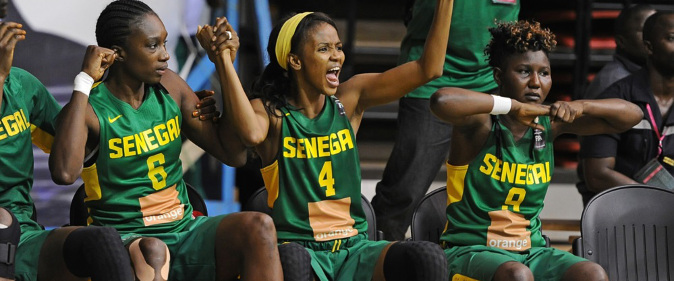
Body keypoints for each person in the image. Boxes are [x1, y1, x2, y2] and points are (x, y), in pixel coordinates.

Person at [195, 0, 454, 280]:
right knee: (293, 260)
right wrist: (223, 60)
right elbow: (252, 134)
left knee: (427, 256)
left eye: (338, 47)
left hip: (355, 249)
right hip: (298, 249)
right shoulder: (271, 112)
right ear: (295, 61)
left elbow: (429, 69)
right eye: (323, 49)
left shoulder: (350, 98)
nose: (336, 57)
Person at [48, 1, 284, 280]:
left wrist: (222, 62)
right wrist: (84, 82)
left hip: (184, 229)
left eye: (164, 44)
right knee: (152, 250)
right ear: (118, 53)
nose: (165, 56)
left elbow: (234, 155)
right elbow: (64, 173)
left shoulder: (171, 87)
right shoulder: (90, 109)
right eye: (152, 46)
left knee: (259, 225)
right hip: (128, 238)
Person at [430, 20, 642, 281]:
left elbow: (632, 115)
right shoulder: (480, 123)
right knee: (518, 275)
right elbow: (442, 100)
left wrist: (582, 105)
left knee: (592, 273)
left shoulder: (549, 125)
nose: (535, 82)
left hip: (532, 251)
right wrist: (513, 107)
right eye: (523, 71)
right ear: (499, 76)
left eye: (544, 73)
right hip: (470, 251)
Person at [0, 0, 139, 280]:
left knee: (101, 242)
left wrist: (89, 82)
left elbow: (74, 150)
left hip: (23, 235)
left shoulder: (22, 85)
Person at [371, 0, 520, 241]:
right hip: (428, 77)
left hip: (492, 81)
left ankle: (484, 263)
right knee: (405, 189)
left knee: (494, 188)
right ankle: (374, 261)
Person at [581, 11, 674, 198]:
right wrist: (659, 199)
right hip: (622, 211)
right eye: (672, 38)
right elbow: (597, 175)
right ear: (649, 47)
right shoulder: (616, 97)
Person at [582, 4, 656, 99]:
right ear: (621, 41)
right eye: (646, 31)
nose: (655, 38)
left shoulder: (652, 73)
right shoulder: (615, 83)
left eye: (657, 31)